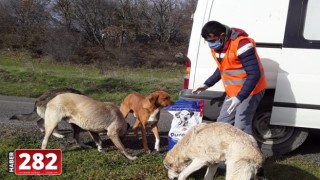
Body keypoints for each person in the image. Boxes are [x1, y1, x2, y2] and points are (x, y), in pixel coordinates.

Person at [192, 21, 267, 135]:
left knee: (241, 125)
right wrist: (207, 84)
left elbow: (254, 74)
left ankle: (245, 152)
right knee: (223, 123)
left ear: (222, 35)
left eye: (212, 40)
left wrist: (240, 97)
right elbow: (223, 68)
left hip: (251, 90)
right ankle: (224, 150)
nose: (210, 44)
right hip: (233, 91)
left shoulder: (242, 44)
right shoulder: (218, 46)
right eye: (207, 41)